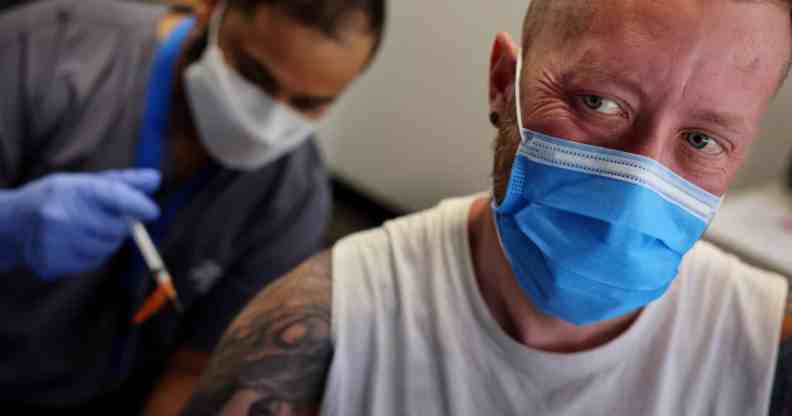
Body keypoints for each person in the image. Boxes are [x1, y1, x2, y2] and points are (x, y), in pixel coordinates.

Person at [182, 0, 792, 415]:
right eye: (598, 103)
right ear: (504, 82)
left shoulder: (768, 358)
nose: (639, 180)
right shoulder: (322, 332)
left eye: (702, 141)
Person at [0, 0, 385, 413]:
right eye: (255, 76)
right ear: (209, 10)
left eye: (308, 104)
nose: (267, 123)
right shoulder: (44, 49)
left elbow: (197, 367)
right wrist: (8, 227)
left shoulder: (292, 197)